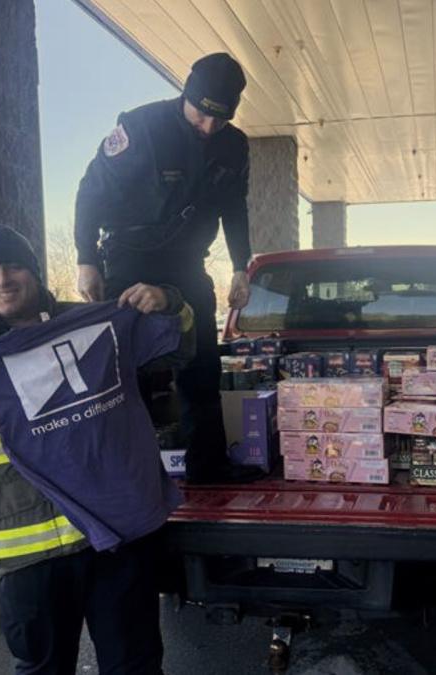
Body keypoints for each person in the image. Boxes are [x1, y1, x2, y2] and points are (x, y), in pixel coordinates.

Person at [0, 224, 194, 675]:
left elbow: (177, 348)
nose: (2, 279)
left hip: (116, 538)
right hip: (30, 558)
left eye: (14, 265)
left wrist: (171, 302)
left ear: (34, 272)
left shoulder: (97, 326)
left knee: (135, 665)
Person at [73, 52, 262, 484]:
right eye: (202, 115)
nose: (209, 128)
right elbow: (90, 193)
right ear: (187, 95)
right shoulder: (141, 127)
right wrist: (86, 258)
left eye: (221, 119)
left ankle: (208, 468)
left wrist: (239, 266)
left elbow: (235, 208)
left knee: (202, 366)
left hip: (187, 263)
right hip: (130, 258)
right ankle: (133, 474)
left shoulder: (234, 145)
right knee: (131, 370)